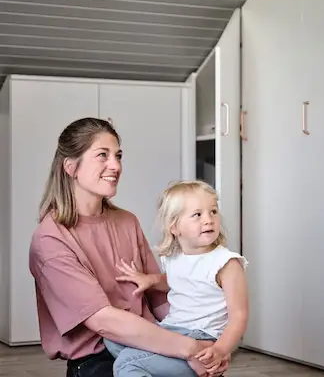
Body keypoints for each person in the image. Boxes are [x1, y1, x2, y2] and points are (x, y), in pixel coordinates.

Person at [28, 118, 231, 377]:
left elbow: (158, 298)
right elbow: (103, 321)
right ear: (71, 167)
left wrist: (207, 344)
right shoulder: (50, 239)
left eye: (118, 155)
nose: (115, 165)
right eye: (102, 155)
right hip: (97, 359)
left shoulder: (127, 221)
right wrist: (190, 349)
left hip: (155, 344)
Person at [103, 180, 249, 377]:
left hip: (202, 336)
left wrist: (220, 351)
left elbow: (239, 315)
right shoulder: (175, 258)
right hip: (172, 329)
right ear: (174, 227)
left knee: (126, 364)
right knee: (112, 336)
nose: (208, 220)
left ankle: (196, 363)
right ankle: (186, 365)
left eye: (213, 211)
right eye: (197, 214)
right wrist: (151, 280)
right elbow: (176, 280)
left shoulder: (226, 263)